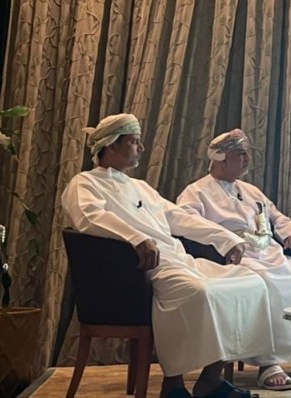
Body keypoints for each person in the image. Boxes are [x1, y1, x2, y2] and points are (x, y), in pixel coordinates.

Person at [62, 114, 272, 398]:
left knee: (251, 283)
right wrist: (138, 239)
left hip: (180, 261)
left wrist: (227, 239)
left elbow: (177, 217)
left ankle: (211, 380)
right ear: (112, 146)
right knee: (199, 292)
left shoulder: (140, 187)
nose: (141, 148)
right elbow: (89, 217)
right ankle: (173, 384)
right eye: (134, 142)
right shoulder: (85, 183)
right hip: (141, 271)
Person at [177, 129, 291, 391]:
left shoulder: (251, 190)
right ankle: (268, 363)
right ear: (221, 158)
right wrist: (224, 240)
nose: (247, 159)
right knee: (266, 284)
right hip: (235, 258)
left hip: (270, 253)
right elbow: (186, 222)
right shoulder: (196, 192)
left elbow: (277, 217)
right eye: (241, 154)